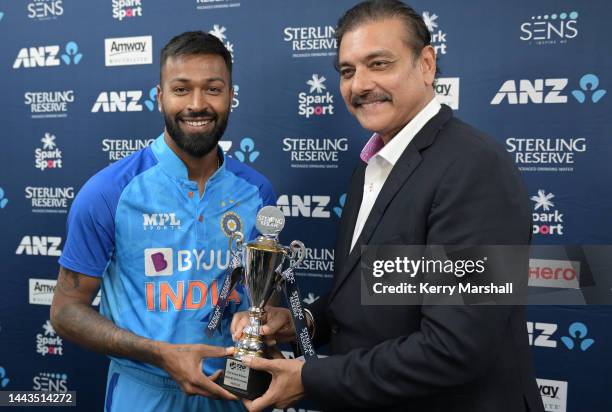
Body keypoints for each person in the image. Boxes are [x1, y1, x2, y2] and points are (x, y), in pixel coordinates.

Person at [231, 1, 545, 411]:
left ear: (426, 64)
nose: (359, 84)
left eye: (378, 64)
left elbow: (455, 347)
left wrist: (310, 378)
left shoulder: (476, 167)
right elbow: (376, 290)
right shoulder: (374, 164)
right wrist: (302, 323)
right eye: (347, 71)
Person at [50, 31, 275, 412]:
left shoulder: (258, 192)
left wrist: (264, 323)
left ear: (232, 96)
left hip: (234, 394)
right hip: (144, 394)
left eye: (213, 89)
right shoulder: (108, 192)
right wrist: (159, 353)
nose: (198, 104)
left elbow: (258, 302)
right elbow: (66, 311)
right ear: (160, 96)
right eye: (182, 89)